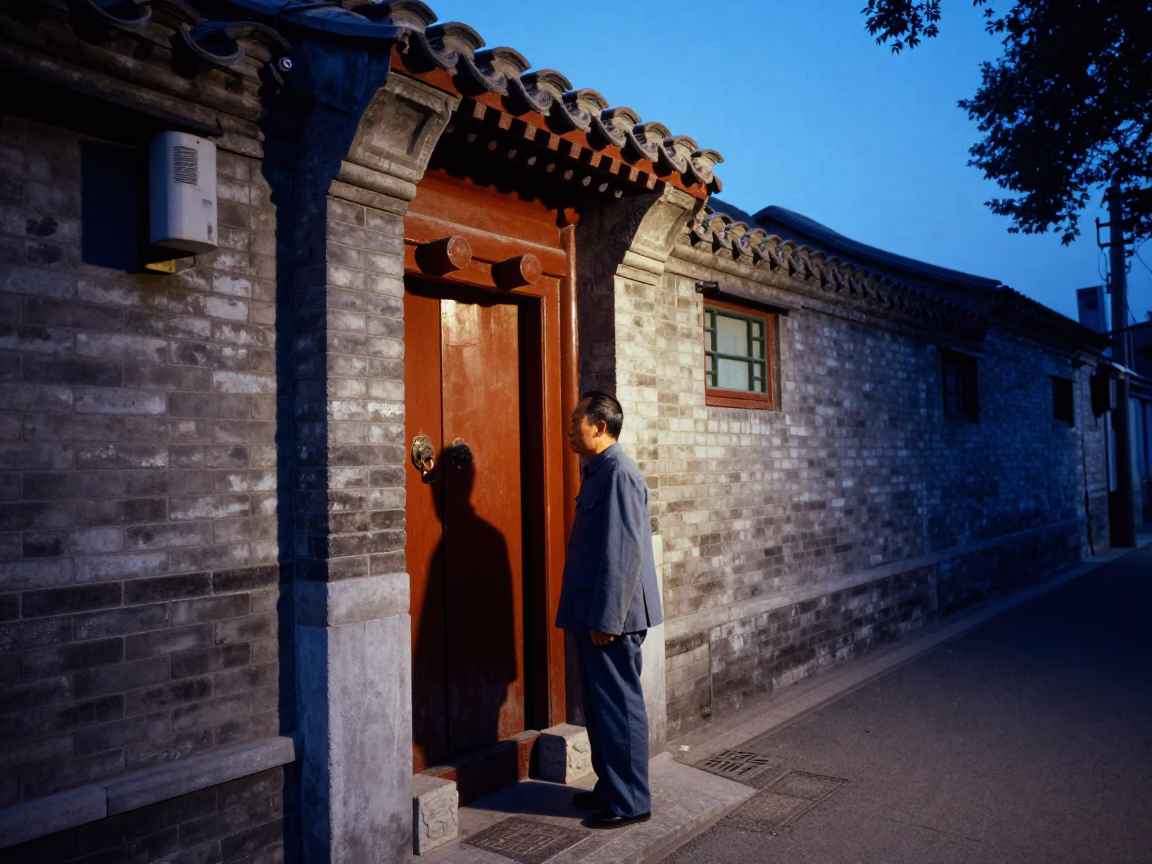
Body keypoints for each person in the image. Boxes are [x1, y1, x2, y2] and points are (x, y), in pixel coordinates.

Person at [556, 390, 663, 829]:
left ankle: (632, 801)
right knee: (600, 709)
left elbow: (623, 553)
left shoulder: (619, 473)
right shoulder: (596, 470)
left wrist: (607, 620)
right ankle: (610, 787)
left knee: (619, 707)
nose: (570, 427)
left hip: (611, 618)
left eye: (576, 419)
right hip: (594, 613)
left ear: (600, 426)